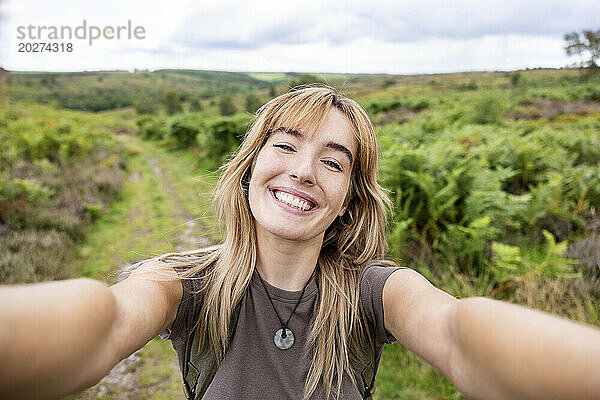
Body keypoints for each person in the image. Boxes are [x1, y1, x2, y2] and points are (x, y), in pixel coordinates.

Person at [1, 86, 599, 400]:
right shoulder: (185, 286)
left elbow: (459, 335)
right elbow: (102, 324)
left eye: (333, 162)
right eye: (285, 146)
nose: (304, 171)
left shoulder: (377, 293)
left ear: (350, 198)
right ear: (249, 167)